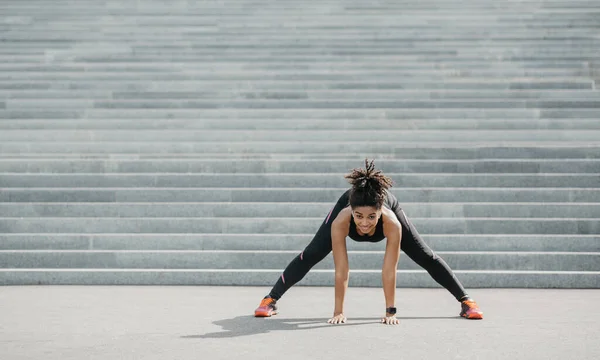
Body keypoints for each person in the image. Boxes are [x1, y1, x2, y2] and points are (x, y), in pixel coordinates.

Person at [254, 159, 483, 324]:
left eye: (371, 217)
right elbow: (342, 270)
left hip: (388, 212)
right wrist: (338, 312)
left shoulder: (392, 223)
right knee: (312, 253)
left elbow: (389, 270)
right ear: (351, 212)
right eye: (359, 217)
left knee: (425, 255)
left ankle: (467, 301)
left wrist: (390, 311)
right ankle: (270, 299)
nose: (364, 223)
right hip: (348, 210)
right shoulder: (341, 220)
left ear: (380, 212)